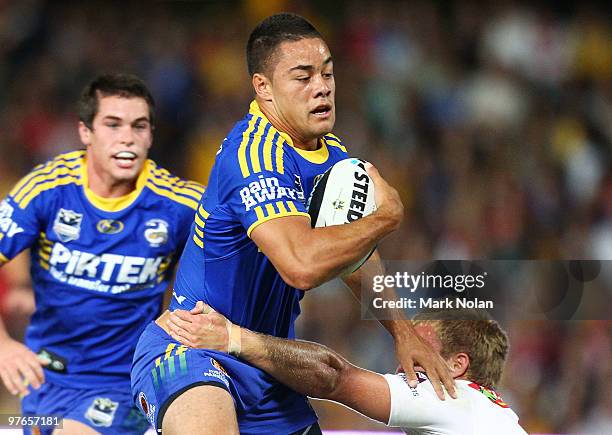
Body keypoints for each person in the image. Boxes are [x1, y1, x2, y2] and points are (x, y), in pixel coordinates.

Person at [130, 12, 454, 435]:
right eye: (303, 77)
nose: (321, 87)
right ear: (263, 88)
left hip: (267, 362)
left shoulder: (334, 156)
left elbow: (354, 257)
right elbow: (300, 265)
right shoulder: (255, 156)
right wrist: (385, 218)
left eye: (328, 73)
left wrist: (402, 331)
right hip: (194, 347)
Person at [0, 73, 204, 435]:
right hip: (44, 386)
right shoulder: (47, 188)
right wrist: (3, 346)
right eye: (112, 124)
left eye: (139, 126)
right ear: (85, 132)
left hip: (128, 383)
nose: (127, 137)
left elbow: (245, 246)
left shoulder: (179, 203)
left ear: (151, 135)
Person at [167, 303, 528, 434]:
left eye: (420, 347)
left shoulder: (452, 397)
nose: (402, 360)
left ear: (456, 365)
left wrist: (233, 338)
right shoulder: (492, 413)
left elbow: (332, 377)